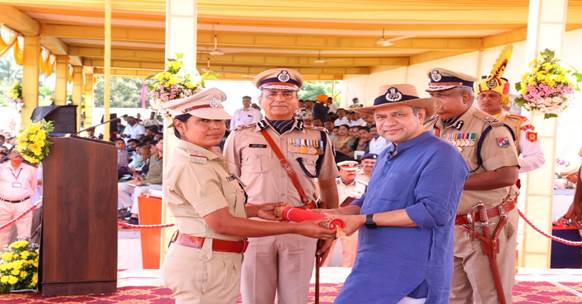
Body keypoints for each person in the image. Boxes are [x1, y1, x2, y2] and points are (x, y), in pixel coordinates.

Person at [160, 87, 335, 304]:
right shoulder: (193, 163)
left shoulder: (207, 160)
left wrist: (255, 210)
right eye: (204, 120)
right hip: (209, 257)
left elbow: (225, 206)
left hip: (220, 256)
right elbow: (222, 222)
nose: (214, 127)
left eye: (219, 120)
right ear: (180, 125)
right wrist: (296, 226)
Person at [322, 83, 468, 303]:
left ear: (420, 115)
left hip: (412, 271)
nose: (388, 123)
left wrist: (363, 219)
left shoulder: (441, 154)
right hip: (373, 262)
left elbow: (432, 212)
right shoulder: (387, 153)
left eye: (398, 114)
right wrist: (338, 213)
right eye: (381, 117)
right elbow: (368, 201)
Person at [223, 68, 339, 304]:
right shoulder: (240, 136)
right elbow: (228, 186)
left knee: (295, 299)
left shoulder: (317, 137)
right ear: (260, 100)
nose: (279, 99)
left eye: (287, 94)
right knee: (255, 298)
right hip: (255, 230)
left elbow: (327, 184)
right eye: (272, 93)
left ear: (297, 100)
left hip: (303, 225)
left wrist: (330, 228)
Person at [425, 68, 519, 304]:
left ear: (465, 98)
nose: (435, 101)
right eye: (432, 95)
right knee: (454, 296)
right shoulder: (429, 126)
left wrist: (448, 182)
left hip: (484, 225)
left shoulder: (490, 128)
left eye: (443, 95)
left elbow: (507, 175)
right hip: (447, 226)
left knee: (489, 296)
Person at [475, 45, 545, 173]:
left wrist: (507, 166)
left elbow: (537, 158)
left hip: (502, 184)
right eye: (482, 95)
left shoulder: (520, 123)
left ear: (503, 99)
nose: (486, 99)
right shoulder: (465, 119)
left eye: (492, 96)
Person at [0, 149, 38, 249]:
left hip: (24, 204)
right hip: (3, 204)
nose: (18, 154)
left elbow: (33, 187)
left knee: (24, 233)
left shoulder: (31, 170)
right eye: (15, 152)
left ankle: (22, 257)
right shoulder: (1, 168)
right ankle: (2, 256)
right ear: (8, 155)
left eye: (21, 153)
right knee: (2, 232)